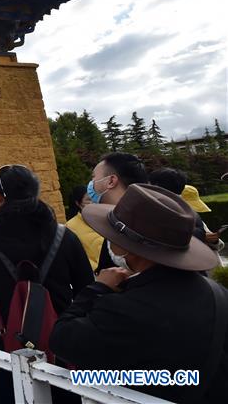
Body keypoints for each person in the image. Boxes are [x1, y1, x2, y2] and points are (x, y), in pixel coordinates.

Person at [50, 184, 227, 404]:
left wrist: (97, 288)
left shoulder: (123, 308)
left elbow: (61, 338)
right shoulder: (218, 293)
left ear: (127, 249)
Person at [0, 164, 94, 349]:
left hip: (13, 347)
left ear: (0, 198)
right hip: (65, 342)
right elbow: (87, 288)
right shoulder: (64, 236)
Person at [86, 153, 148, 272]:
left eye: (94, 177)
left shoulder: (129, 224)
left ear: (111, 181)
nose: (91, 183)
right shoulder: (115, 220)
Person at [182, 184, 226, 255]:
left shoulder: (197, 220)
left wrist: (214, 241)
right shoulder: (168, 220)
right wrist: (200, 237)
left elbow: (219, 246)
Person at [65, 186, 101, 269]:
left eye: (95, 198)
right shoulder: (70, 226)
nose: (94, 202)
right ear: (78, 203)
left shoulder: (105, 219)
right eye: (89, 200)